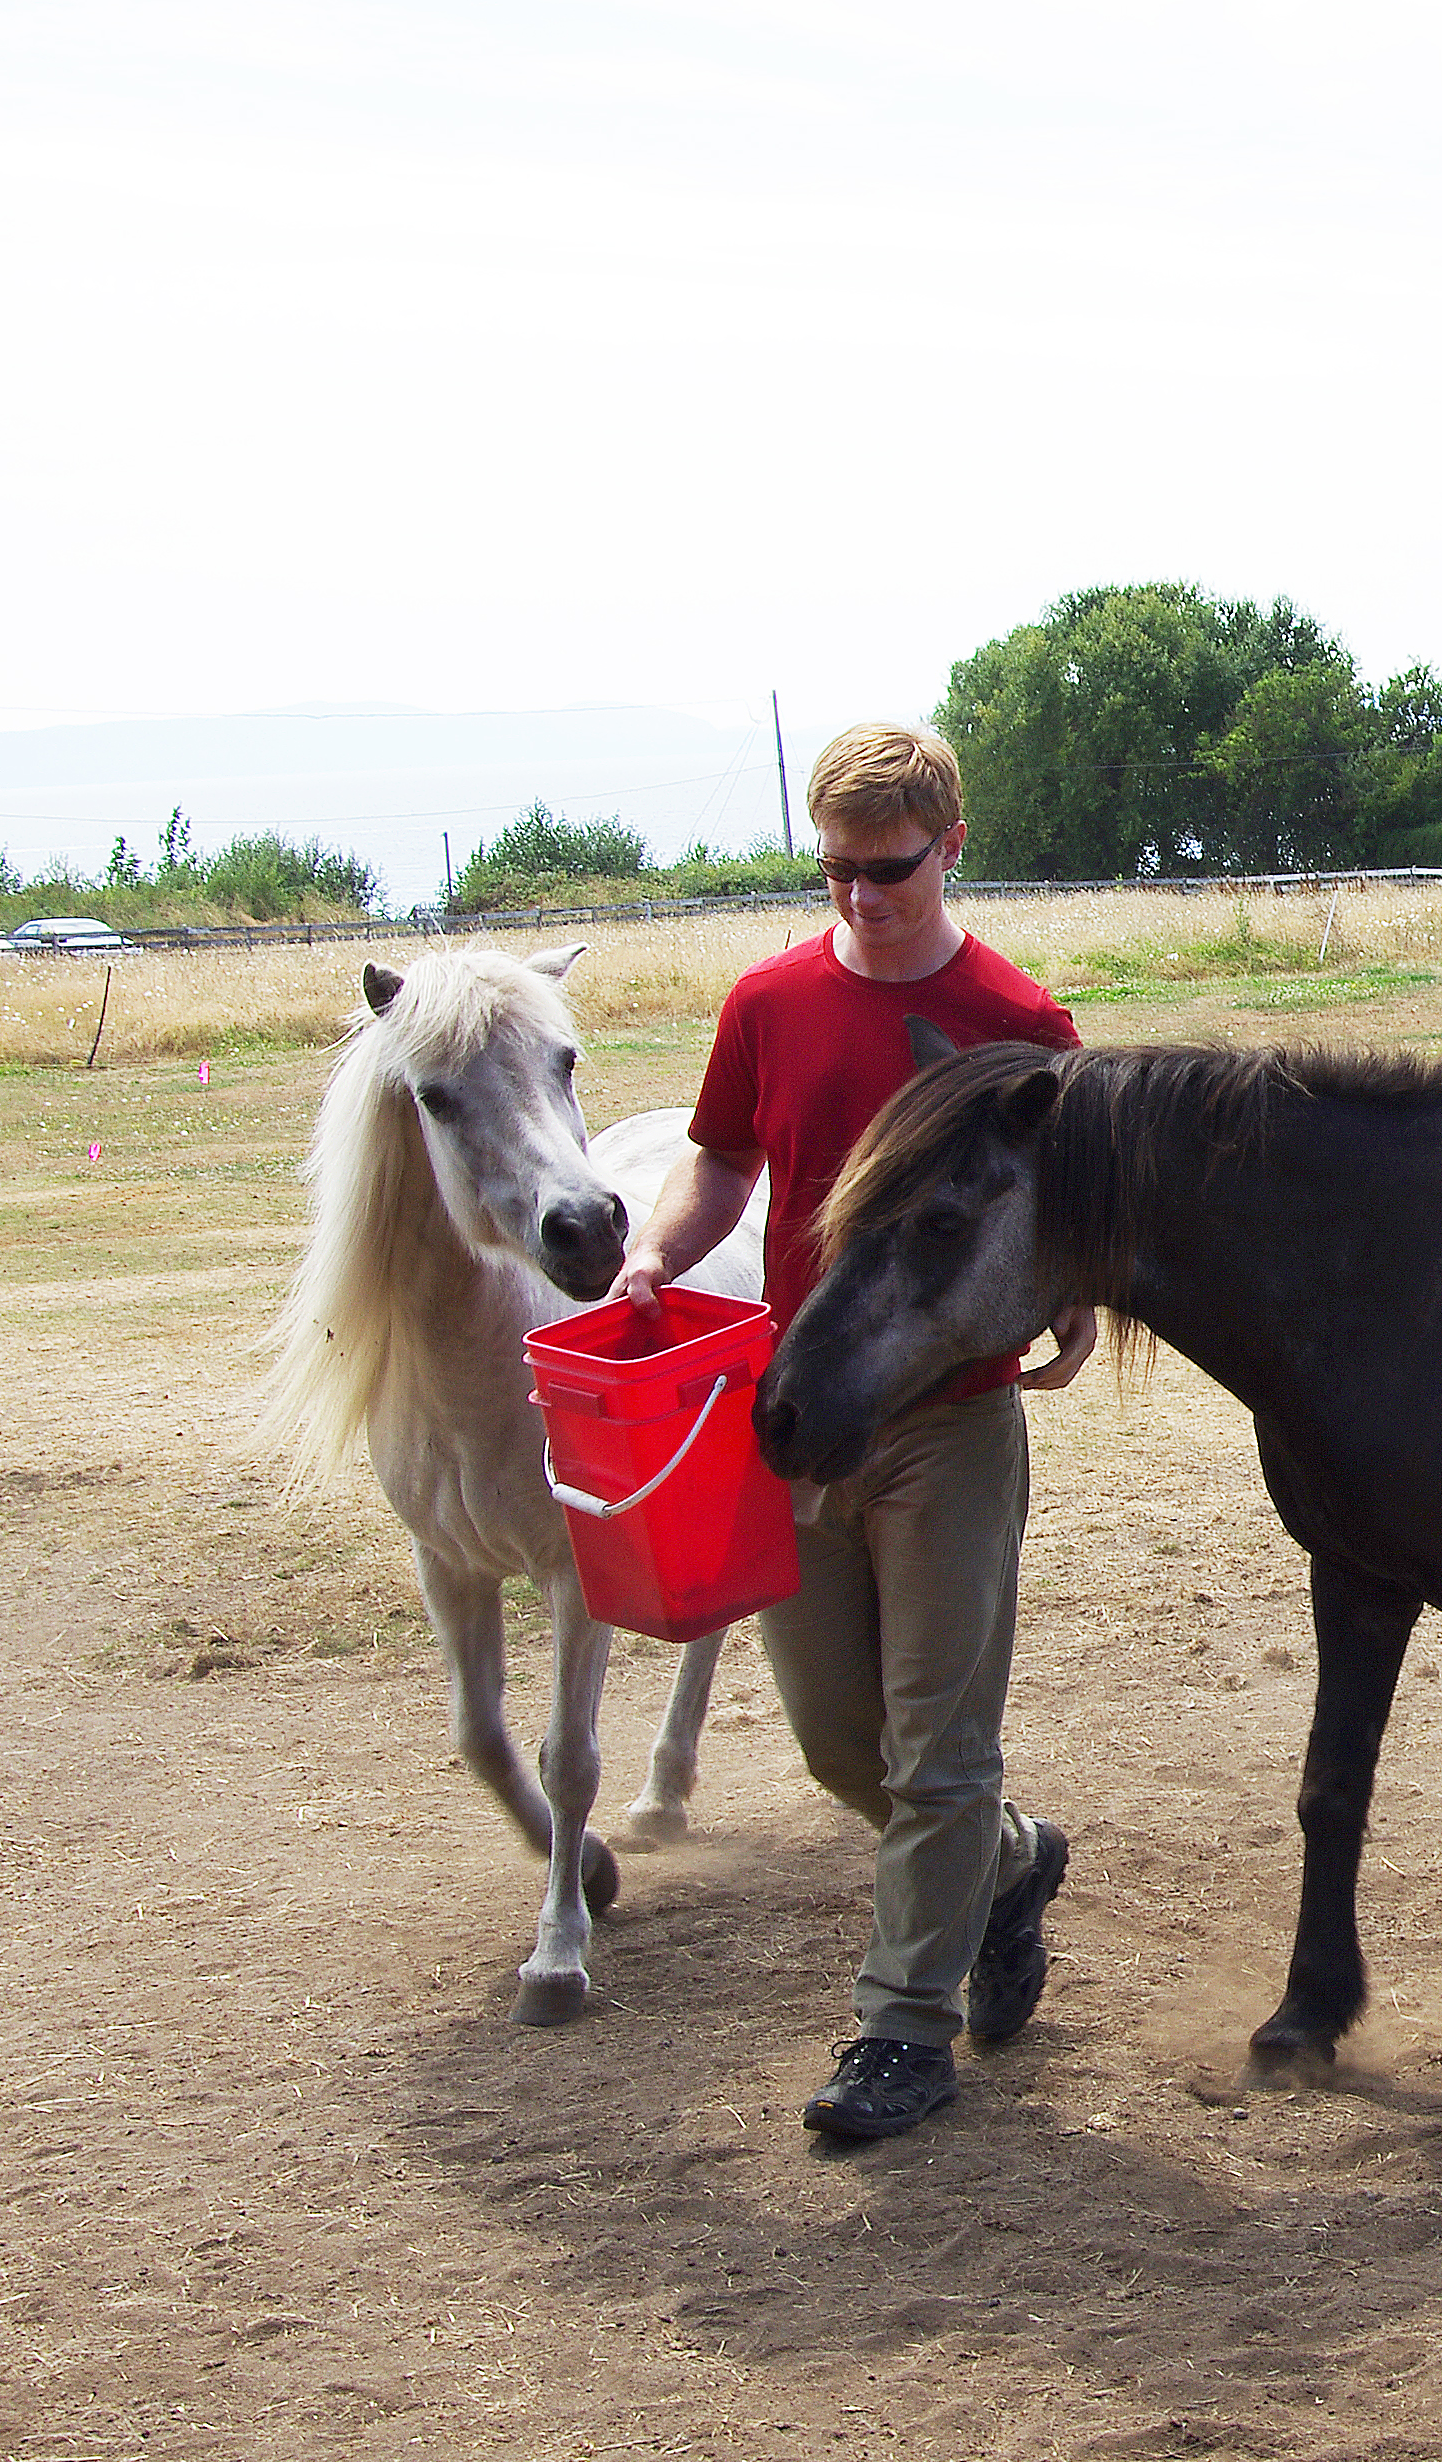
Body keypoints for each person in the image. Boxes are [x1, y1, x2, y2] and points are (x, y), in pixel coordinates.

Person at [613, 721, 1093, 2142]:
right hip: (801, 1419)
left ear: (952, 847)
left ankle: (901, 2031)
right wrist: (658, 1250)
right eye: (833, 871)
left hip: (951, 1422)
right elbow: (722, 1160)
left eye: (886, 870)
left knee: (937, 1749)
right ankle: (1009, 1867)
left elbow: (1065, 1204)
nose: (859, 899)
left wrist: (1071, 1294)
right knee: (842, 1749)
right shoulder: (766, 1004)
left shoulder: (1021, 1023)